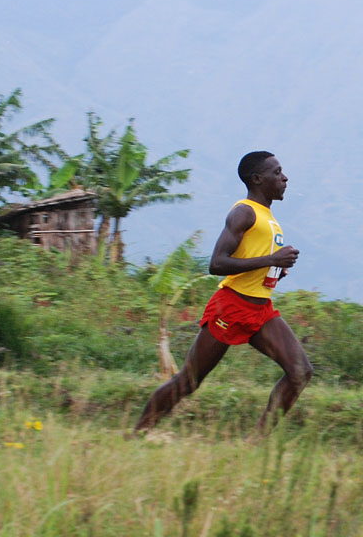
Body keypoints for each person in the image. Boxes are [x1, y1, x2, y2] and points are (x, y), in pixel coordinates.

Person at [134, 151, 313, 434]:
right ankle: (137, 433)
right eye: (277, 172)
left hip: (260, 309)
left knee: (301, 371)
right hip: (231, 306)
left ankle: (256, 444)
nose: (285, 177)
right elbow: (217, 263)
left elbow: (250, 259)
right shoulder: (244, 212)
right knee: (189, 381)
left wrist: (276, 269)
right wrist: (271, 260)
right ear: (257, 179)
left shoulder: (268, 218)